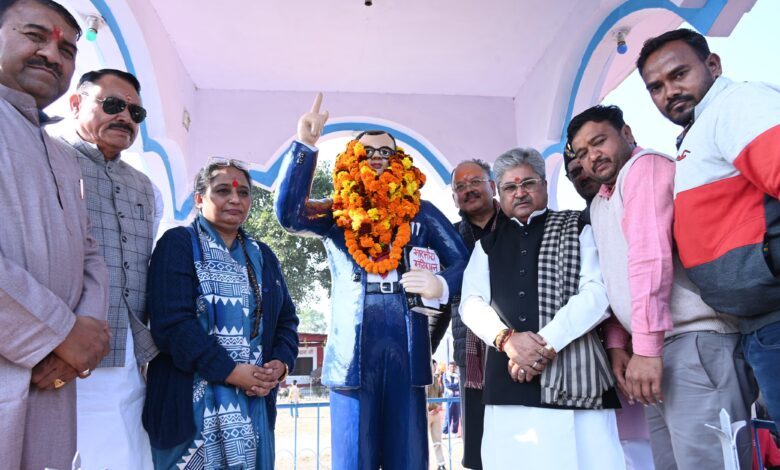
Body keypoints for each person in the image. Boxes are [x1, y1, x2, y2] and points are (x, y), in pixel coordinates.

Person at [275, 93, 468, 470]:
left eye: (386, 151)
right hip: (353, 348)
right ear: (353, 159)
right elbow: (290, 215)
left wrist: (441, 284)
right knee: (353, 456)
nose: (377, 157)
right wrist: (305, 146)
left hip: (405, 345)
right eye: (368, 151)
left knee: (408, 454)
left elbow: (464, 262)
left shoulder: (421, 213)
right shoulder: (337, 213)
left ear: (400, 161)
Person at [568, 104, 756, 469]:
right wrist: (619, 344)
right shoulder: (603, 200)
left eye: (599, 141)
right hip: (655, 347)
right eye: (582, 152)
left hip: (692, 342)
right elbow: (616, 277)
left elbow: (650, 259)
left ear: (626, 134)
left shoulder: (645, 168)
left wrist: (645, 348)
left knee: (709, 461)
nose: (592, 156)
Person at [637, 28, 780, 431]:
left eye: (679, 74)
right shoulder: (700, 128)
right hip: (758, 322)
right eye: (656, 87)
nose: (669, 92)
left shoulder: (737, 104)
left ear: (712, 65)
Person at [460, 148, 624, 470]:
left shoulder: (579, 226)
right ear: (499, 193)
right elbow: (470, 303)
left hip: (576, 378)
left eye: (528, 183)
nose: (519, 192)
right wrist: (507, 340)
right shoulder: (486, 246)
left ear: (545, 186)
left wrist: (544, 344)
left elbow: (597, 292)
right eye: (509, 187)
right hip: (508, 382)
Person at [0, 1, 111, 468]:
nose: (51, 54)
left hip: (51, 379)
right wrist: (61, 333)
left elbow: (89, 254)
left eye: (66, 50)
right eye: (34, 36)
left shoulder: (62, 156)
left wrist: (84, 335)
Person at [143, 159, 299, 469]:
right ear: (199, 199)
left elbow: (286, 321)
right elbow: (172, 325)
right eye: (223, 191)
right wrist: (230, 371)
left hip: (253, 406)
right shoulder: (177, 245)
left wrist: (280, 364)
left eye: (243, 193)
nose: (235, 199)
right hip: (189, 408)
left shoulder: (263, 256)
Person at [58, 68, 158, 470]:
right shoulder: (50, 159)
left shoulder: (145, 186)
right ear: (76, 103)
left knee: (129, 454)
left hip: (130, 356)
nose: (125, 118)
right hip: (61, 351)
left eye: (136, 113)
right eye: (113, 105)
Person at [563, 143, 656, 470]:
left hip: (648, 340)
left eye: (584, 166)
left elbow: (643, 270)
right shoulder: (578, 222)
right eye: (574, 172)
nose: (582, 175)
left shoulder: (634, 192)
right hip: (605, 350)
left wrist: (632, 343)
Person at [449, 158, 506, 469]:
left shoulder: (516, 223)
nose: (468, 190)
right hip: (472, 359)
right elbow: (438, 302)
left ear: (492, 186)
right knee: (479, 450)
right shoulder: (447, 238)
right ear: (454, 197)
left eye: (475, 182)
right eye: (460, 186)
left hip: (518, 349)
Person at [427, 360, 446, 470]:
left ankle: (441, 464)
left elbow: (440, 394)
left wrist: (439, 405)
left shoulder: (436, 379)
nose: (435, 367)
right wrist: (432, 407)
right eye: (434, 365)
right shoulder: (423, 379)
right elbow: (423, 396)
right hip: (426, 414)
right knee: (423, 441)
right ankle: (423, 464)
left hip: (435, 413)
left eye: (435, 365)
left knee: (437, 440)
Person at [441, 362, 461, 435]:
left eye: (453, 367)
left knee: (456, 415)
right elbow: (447, 385)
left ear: (455, 367)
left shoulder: (458, 375)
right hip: (449, 396)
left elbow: (459, 386)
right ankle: (445, 432)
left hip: (457, 396)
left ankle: (455, 431)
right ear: (448, 367)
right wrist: (455, 386)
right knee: (448, 415)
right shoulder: (445, 375)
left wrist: (454, 386)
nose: (452, 368)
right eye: (450, 367)